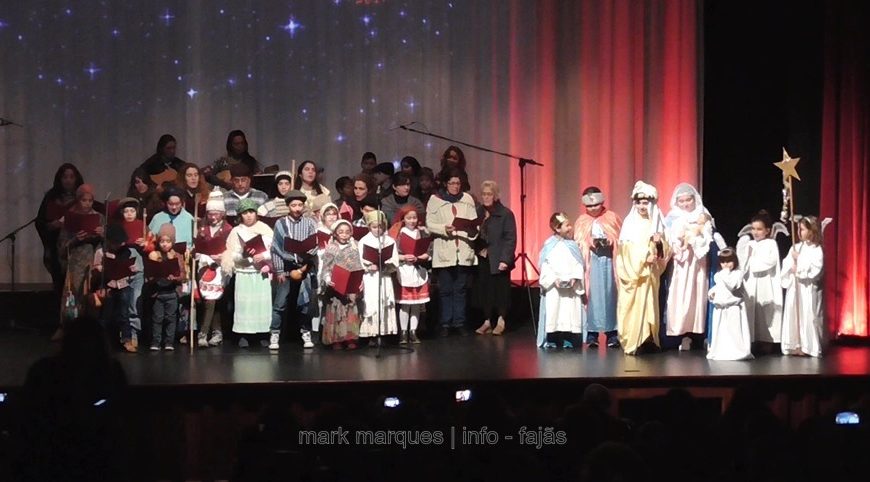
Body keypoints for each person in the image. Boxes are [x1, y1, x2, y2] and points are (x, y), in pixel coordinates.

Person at [616, 181, 670, 355]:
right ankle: (634, 340)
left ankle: (648, 338)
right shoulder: (630, 223)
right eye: (638, 202)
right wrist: (643, 258)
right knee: (632, 305)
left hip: (650, 275)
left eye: (645, 202)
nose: (641, 206)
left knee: (650, 306)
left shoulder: (657, 222)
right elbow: (625, 251)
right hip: (635, 275)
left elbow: (666, 250)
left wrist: (659, 244)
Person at [426, 169, 478, 336]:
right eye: (452, 183)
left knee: (461, 289)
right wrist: (444, 229)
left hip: (463, 250)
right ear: (445, 184)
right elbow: (429, 224)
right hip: (444, 251)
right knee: (446, 289)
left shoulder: (467, 199)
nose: (455, 186)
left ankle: (460, 322)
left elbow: (474, 225)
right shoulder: (435, 200)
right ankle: (445, 323)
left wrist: (472, 231)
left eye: (458, 183)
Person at [664, 183, 714, 350]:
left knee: (696, 295)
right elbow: (668, 239)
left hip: (697, 263)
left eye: (688, 200)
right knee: (679, 295)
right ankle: (679, 332)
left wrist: (694, 238)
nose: (685, 204)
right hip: (680, 263)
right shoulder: (672, 217)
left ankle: (696, 334)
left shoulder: (702, 214)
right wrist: (678, 243)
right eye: (682, 201)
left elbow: (707, 238)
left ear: (694, 199)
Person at [574, 186, 622, 348]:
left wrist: (610, 240)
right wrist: (589, 242)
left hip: (609, 262)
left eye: (596, 205)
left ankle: (612, 333)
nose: (593, 209)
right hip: (591, 263)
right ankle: (592, 333)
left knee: (610, 295)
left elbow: (620, 237)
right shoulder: (582, 221)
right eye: (590, 206)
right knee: (592, 296)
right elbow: (579, 240)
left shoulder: (612, 217)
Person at [269, 190, 318, 350]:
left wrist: (304, 268)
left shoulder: (310, 222)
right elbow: (276, 248)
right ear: (288, 206)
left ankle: (306, 332)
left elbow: (314, 246)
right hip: (287, 266)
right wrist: (279, 271)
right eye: (293, 205)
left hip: (304, 266)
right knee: (280, 302)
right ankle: (275, 333)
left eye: (300, 205)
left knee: (304, 303)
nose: (297, 208)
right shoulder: (281, 223)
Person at [222, 199, 273, 348]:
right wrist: (245, 255)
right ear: (240, 215)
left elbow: (273, 249)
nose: (249, 215)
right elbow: (231, 254)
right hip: (244, 272)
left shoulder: (264, 228)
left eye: (251, 212)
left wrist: (263, 256)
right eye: (245, 213)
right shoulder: (236, 231)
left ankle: (262, 334)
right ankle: (244, 335)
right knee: (245, 305)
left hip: (261, 273)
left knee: (261, 305)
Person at [58, 184, 105, 330]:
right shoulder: (71, 218)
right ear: (78, 200)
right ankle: (68, 327)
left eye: (90, 200)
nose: (87, 204)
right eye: (84, 200)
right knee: (73, 294)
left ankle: (90, 328)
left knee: (91, 296)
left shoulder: (100, 217)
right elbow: (62, 245)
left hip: (94, 260)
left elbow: (110, 243)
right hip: (76, 261)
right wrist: (75, 239)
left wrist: (102, 233)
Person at [472, 180, 516, 336]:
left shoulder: (505, 214)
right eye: (483, 194)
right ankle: (486, 321)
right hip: (483, 258)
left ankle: (501, 320)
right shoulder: (479, 212)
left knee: (500, 291)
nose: (486, 197)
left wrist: (505, 260)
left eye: (489, 194)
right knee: (485, 291)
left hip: (499, 258)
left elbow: (510, 238)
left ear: (496, 195)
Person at [736, 210, 783, 351]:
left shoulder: (770, 244)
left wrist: (753, 258)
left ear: (767, 230)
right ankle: (751, 339)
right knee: (751, 309)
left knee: (765, 311)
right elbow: (742, 263)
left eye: (759, 229)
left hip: (765, 283)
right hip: (751, 282)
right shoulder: (749, 243)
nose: (755, 232)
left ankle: (767, 340)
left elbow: (770, 262)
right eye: (753, 229)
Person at [537, 213, 586, 349]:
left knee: (568, 312)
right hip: (554, 286)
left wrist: (575, 277)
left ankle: (568, 338)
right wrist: (553, 279)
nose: (570, 228)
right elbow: (544, 264)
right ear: (557, 228)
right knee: (554, 311)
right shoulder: (549, 245)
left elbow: (579, 263)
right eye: (567, 225)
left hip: (570, 286)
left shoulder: (572, 245)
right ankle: (552, 338)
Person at [93, 223, 143, 353]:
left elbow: (135, 269)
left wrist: (132, 270)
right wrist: (100, 269)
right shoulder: (101, 251)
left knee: (124, 314)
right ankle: (102, 342)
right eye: (116, 243)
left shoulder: (128, 252)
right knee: (106, 315)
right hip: (108, 285)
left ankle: (127, 340)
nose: (120, 245)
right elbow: (96, 266)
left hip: (123, 285)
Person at [193, 188, 233, 347]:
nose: (213, 217)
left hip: (220, 269)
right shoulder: (202, 229)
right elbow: (197, 248)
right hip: (204, 268)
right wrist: (202, 255)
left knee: (212, 300)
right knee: (209, 301)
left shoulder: (228, 229)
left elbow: (232, 248)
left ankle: (203, 333)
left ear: (222, 214)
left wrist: (223, 256)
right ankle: (217, 332)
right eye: (210, 214)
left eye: (216, 213)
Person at [36, 164, 83, 298]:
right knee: (59, 285)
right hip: (55, 246)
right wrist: (51, 225)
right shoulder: (51, 197)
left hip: (76, 246)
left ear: (76, 179)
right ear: (59, 179)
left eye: (71, 177)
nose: (68, 180)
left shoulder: (82, 197)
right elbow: (40, 221)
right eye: (65, 177)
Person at [780, 216, 825, 357]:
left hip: (807, 288)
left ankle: (808, 345)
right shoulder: (796, 246)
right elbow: (787, 263)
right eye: (798, 229)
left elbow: (816, 269)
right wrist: (790, 266)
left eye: (802, 229)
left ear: (812, 231)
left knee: (808, 314)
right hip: (795, 287)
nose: (799, 232)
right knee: (794, 312)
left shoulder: (817, 249)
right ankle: (795, 343)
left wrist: (799, 260)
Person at [320, 219, 363, 350]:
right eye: (341, 232)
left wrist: (361, 281)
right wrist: (328, 279)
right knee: (336, 310)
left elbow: (360, 265)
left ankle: (350, 337)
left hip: (351, 285)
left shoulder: (355, 246)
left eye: (347, 232)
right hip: (336, 286)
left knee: (350, 311)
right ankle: (336, 339)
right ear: (335, 234)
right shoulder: (331, 248)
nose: (344, 235)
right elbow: (326, 267)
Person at [358, 210, 399, 343]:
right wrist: (369, 267)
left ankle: (384, 332)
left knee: (384, 302)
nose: (377, 230)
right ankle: (372, 334)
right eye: (374, 227)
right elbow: (359, 261)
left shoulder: (389, 240)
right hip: (371, 277)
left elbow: (395, 259)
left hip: (384, 276)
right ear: (369, 227)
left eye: (380, 227)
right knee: (372, 303)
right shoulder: (364, 241)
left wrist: (387, 265)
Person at [391, 206, 430, 344]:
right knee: (405, 305)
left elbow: (428, 251)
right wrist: (403, 257)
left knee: (416, 304)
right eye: (409, 218)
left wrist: (420, 257)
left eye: (414, 218)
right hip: (404, 271)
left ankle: (413, 331)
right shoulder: (399, 233)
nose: (412, 221)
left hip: (418, 270)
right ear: (403, 219)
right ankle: (403, 332)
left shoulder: (422, 232)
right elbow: (393, 253)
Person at [706, 247, 753, 360]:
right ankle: (721, 350)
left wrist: (724, 274)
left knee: (734, 332)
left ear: (735, 261)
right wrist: (711, 293)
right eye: (723, 262)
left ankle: (737, 351)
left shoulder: (737, 274)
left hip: (733, 308)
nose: (726, 264)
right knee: (721, 332)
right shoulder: (719, 275)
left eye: (729, 261)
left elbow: (732, 285)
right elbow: (717, 287)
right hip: (721, 308)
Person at [146, 223, 186, 351]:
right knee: (157, 318)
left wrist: (175, 278)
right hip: (158, 293)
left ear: (172, 242)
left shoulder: (176, 256)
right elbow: (149, 275)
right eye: (162, 241)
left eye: (168, 241)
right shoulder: (154, 255)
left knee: (171, 318)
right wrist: (154, 277)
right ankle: (156, 341)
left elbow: (183, 275)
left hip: (171, 293)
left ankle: (169, 342)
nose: (165, 244)